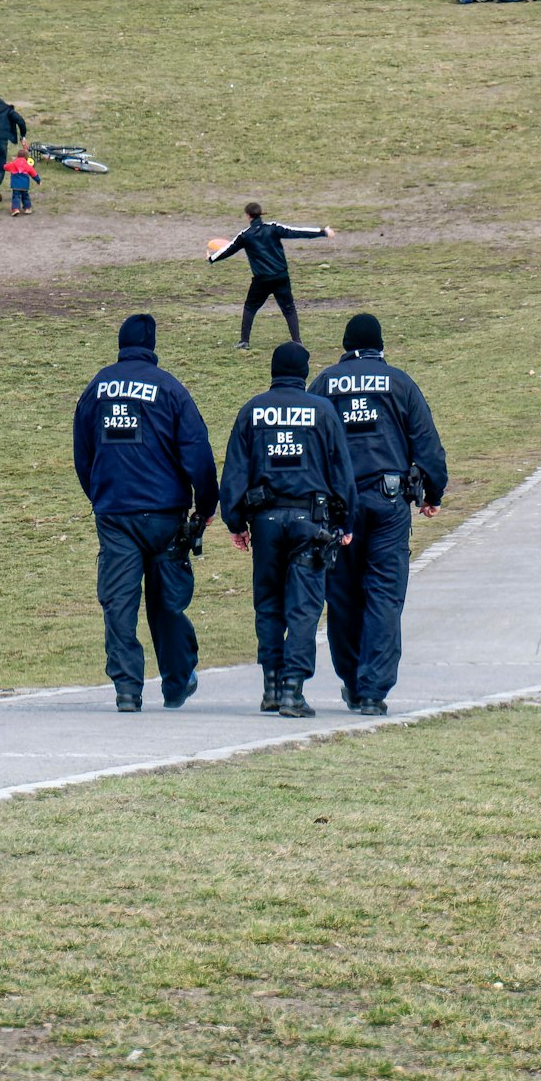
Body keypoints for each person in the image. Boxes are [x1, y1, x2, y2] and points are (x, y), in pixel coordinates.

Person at [73, 314, 220, 713]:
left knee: (118, 602)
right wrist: (206, 505)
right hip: (165, 515)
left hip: (116, 513)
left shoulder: (97, 388)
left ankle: (126, 689)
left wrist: (101, 496)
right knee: (167, 602)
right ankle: (176, 681)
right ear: (152, 345)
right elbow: (197, 450)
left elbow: (82, 453)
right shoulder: (169, 388)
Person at [309, 314, 447, 717]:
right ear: (379, 346)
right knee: (384, 596)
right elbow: (427, 445)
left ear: (345, 344)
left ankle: (352, 682)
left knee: (342, 596)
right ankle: (373, 690)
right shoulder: (400, 383)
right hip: (388, 504)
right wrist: (432, 493)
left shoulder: (325, 383)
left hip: (337, 509)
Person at [218, 342, 356, 718]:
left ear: (274, 370)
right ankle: (294, 689)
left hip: (264, 523)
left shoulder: (253, 410)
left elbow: (233, 472)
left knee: (268, 604)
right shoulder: (322, 411)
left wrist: (235, 522)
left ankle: (272, 686)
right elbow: (341, 472)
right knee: (304, 607)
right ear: (304, 372)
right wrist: (346, 521)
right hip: (310, 522)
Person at [208, 202, 333, 350]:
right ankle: (297, 341)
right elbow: (297, 232)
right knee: (289, 308)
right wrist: (322, 232)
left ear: (248, 216)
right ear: (261, 214)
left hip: (261, 280)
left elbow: (228, 250)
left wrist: (211, 258)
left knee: (250, 307)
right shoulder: (273, 228)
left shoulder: (245, 235)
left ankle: (244, 341)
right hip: (281, 276)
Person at [3, 143, 40, 216]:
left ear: (17, 156)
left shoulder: (13, 164)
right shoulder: (28, 166)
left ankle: (16, 209)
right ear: (26, 157)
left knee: (16, 197)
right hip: (25, 185)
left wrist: (6, 163)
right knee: (25, 196)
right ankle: (27, 208)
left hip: (15, 185)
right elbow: (34, 174)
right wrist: (38, 181)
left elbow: (5, 167)